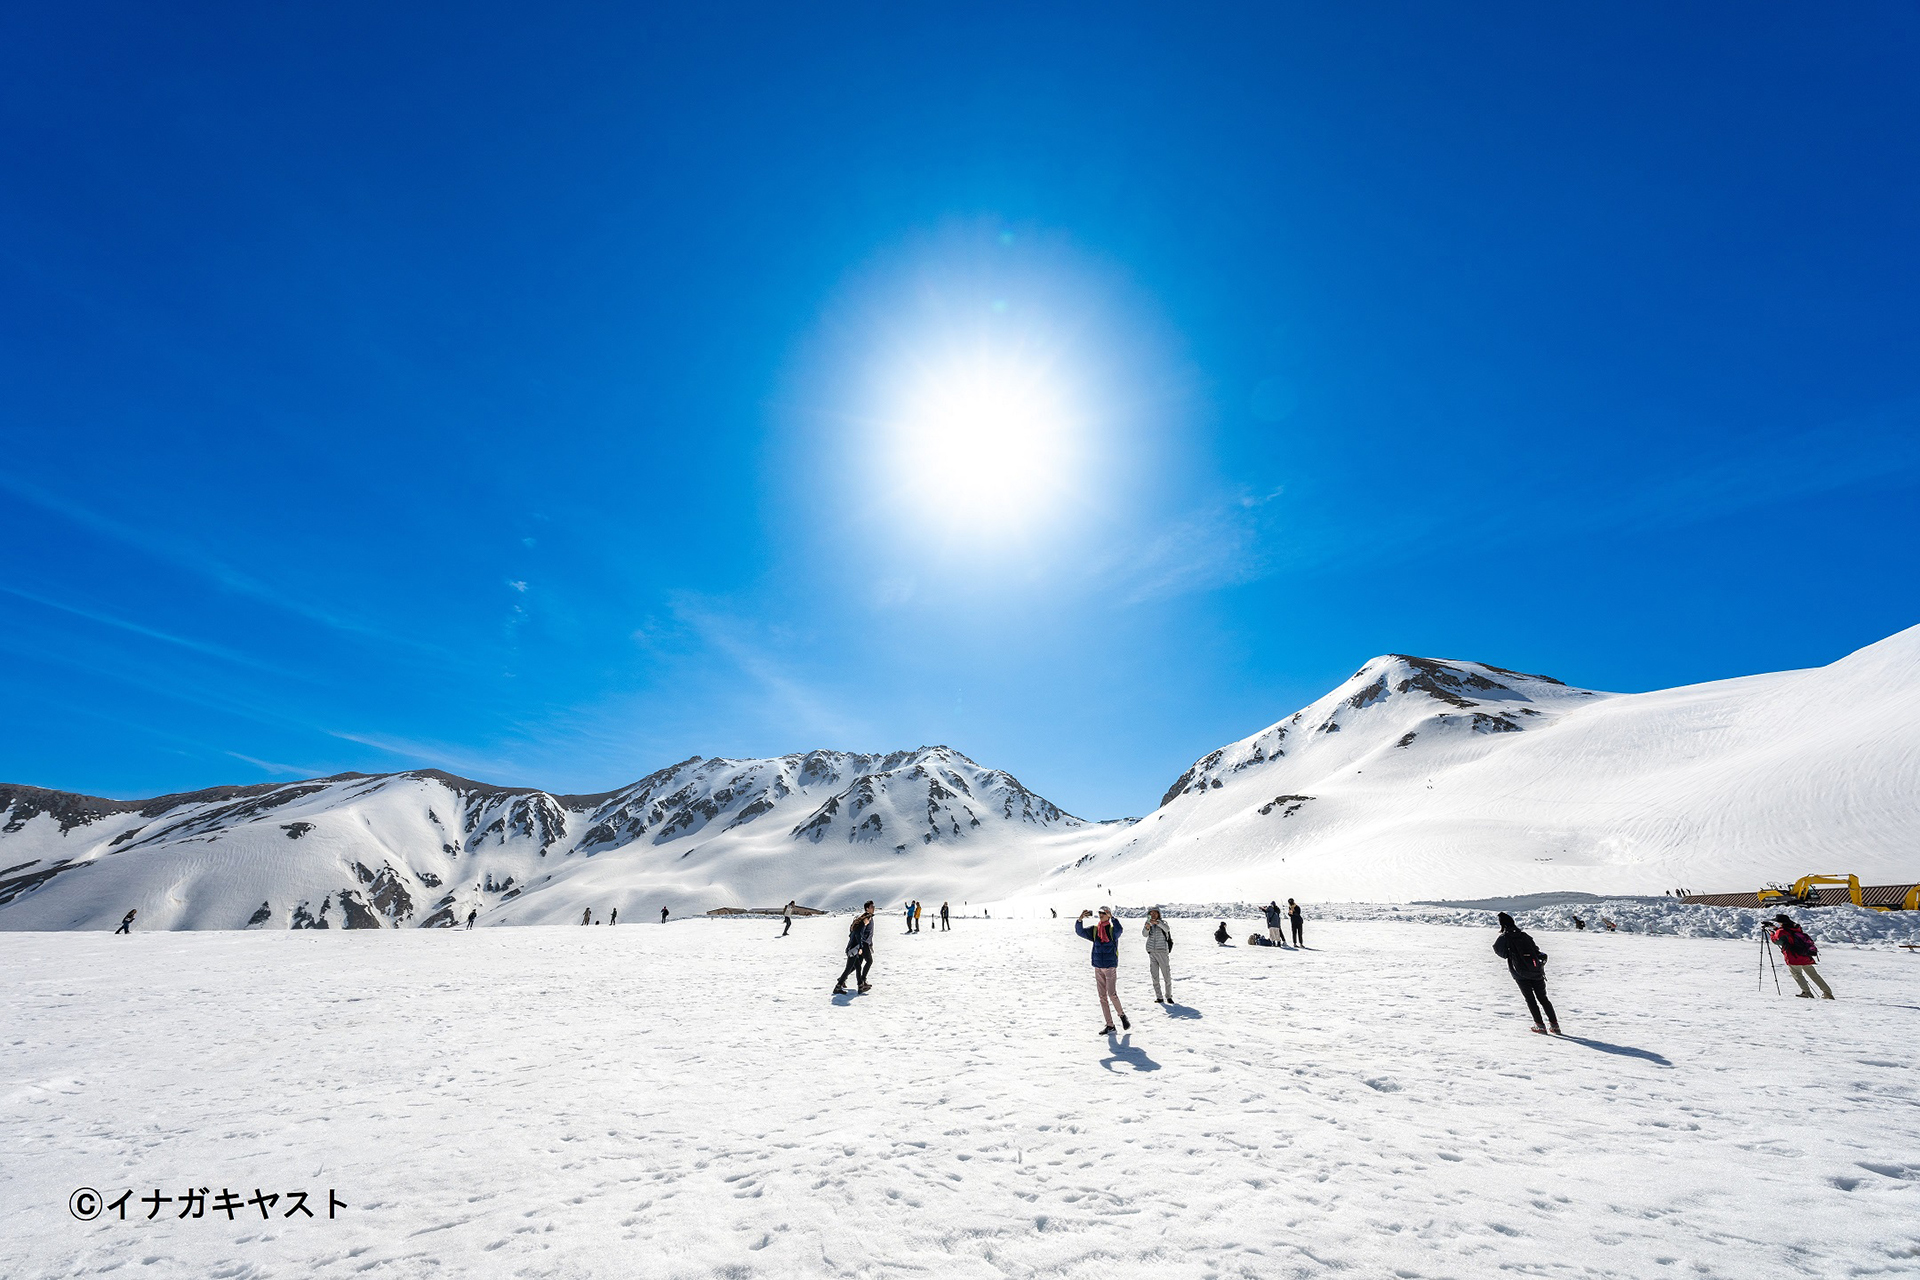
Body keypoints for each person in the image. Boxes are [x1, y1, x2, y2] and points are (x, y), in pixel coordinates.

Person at [1493, 912, 1559, 1035]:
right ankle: (1555, 1026)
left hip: (1520, 973)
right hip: (1536, 971)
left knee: (1530, 999)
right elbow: (1536, 950)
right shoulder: (1524, 935)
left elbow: (1499, 952)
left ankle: (1540, 1026)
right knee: (1543, 998)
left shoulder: (1504, 938)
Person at [1075, 908, 1130, 1035]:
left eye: (1103, 913)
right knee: (1102, 997)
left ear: (1108, 915)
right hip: (1098, 966)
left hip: (1110, 966)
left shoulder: (1112, 930)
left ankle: (1122, 1015)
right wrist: (1080, 919)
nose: (1100, 915)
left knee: (1112, 994)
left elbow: (1119, 930)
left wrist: (1114, 919)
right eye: (1099, 913)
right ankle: (1110, 1025)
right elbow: (1080, 932)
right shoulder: (1095, 930)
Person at [1770, 915, 1834, 999]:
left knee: (1797, 974)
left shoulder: (1782, 931)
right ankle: (1827, 993)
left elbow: (1777, 941)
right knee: (1814, 975)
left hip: (1793, 956)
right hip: (1805, 955)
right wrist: (1775, 928)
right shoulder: (1796, 927)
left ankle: (1806, 992)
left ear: (1781, 922)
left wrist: (1772, 934)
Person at [834, 902, 877, 994]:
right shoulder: (866, 918)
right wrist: (861, 946)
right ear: (867, 909)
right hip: (858, 946)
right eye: (871, 907)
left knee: (857, 966)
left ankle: (858, 985)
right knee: (866, 962)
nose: (873, 908)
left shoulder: (866, 918)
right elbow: (859, 933)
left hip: (858, 946)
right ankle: (858, 983)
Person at [1143, 908, 1174, 1003]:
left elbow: (1167, 929)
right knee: (1154, 976)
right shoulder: (1148, 923)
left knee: (1166, 975)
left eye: (1155, 913)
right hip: (1152, 952)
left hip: (1162, 952)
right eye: (1151, 913)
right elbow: (1144, 934)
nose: (1153, 915)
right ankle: (1159, 997)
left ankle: (1168, 996)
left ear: (1158, 914)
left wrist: (1157, 923)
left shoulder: (1163, 922)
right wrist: (1147, 928)